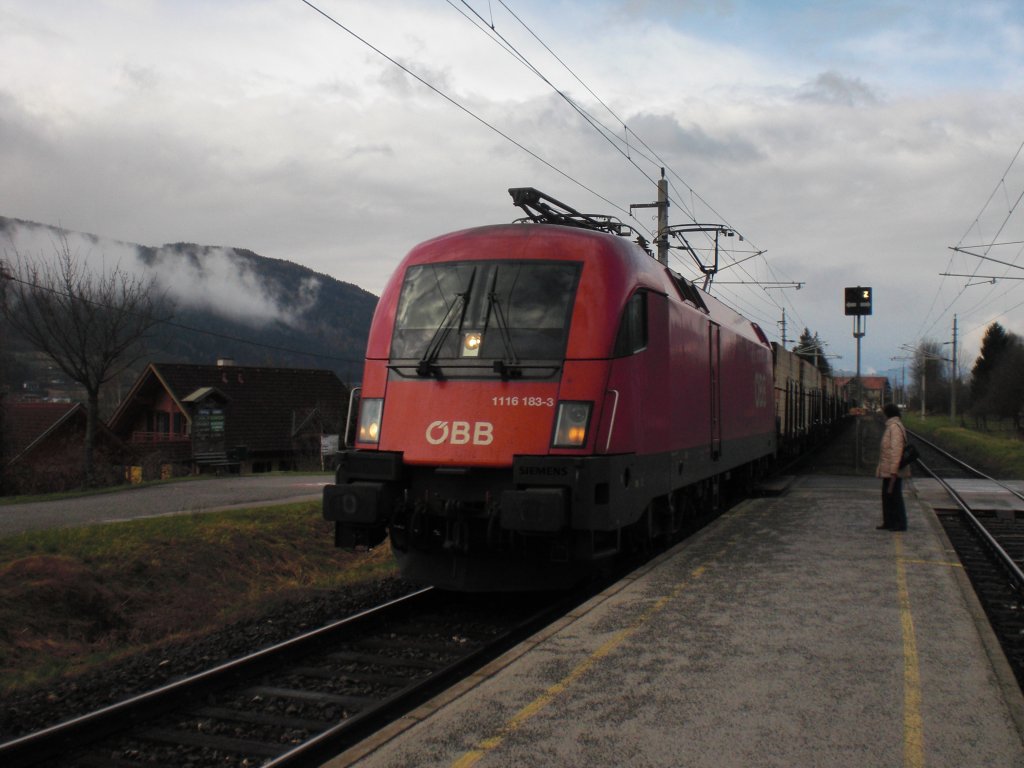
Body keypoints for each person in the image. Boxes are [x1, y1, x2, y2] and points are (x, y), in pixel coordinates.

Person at [876, 402, 910, 531]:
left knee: (895, 496)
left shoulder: (894, 427)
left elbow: (896, 450)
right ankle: (889, 522)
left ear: (888, 414)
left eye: (884, 413)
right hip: (889, 469)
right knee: (887, 496)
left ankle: (899, 523)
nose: (883, 416)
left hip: (892, 470)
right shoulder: (892, 426)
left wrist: (894, 470)